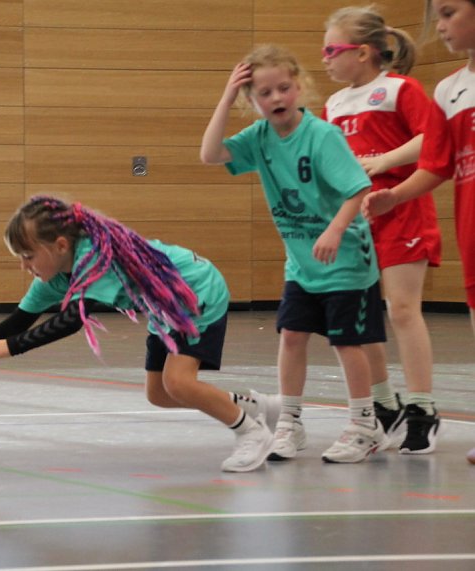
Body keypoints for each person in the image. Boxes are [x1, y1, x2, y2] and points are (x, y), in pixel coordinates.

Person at [0, 195, 281, 473]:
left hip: (194, 291)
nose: (24, 266)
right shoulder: (53, 277)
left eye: (28, 256)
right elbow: (17, 322)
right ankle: (256, 406)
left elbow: (73, 320)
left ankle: (251, 432)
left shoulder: (94, 258)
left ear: (60, 245)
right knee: (159, 394)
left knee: (179, 382)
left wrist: (12, 348)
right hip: (162, 306)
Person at [200, 44, 389, 463]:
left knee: (346, 343)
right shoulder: (259, 138)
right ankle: (289, 422)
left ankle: (364, 425)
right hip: (302, 265)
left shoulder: (322, 135)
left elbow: (358, 187)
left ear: (299, 87)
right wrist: (227, 98)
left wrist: (335, 231)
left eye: (284, 88)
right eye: (264, 94)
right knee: (292, 337)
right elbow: (210, 154)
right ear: (253, 102)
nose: (277, 98)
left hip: (345, 261)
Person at [322, 6, 442, 454]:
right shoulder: (333, 104)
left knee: (403, 309)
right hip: (356, 221)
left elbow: (434, 138)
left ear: (366, 52)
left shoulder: (398, 89)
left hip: (402, 208)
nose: (325, 59)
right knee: (362, 316)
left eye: (333, 49)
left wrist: (384, 161)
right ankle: (383, 404)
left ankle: (423, 408)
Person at [362, 0, 475, 463]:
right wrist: (395, 194)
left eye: (449, 13)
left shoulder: (404, 90)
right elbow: (438, 164)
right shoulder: (450, 90)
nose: (440, 26)